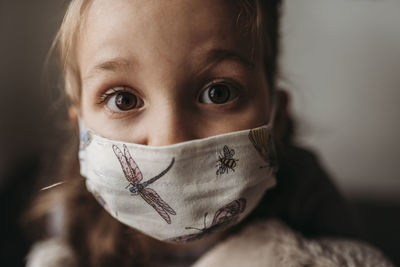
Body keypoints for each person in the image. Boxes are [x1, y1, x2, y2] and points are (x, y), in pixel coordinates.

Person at [26, 0, 394, 266]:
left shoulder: (304, 188)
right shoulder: (72, 210)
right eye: (123, 99)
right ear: (82, 132)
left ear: (276, 116)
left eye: (217, 93)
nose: (171, 139)